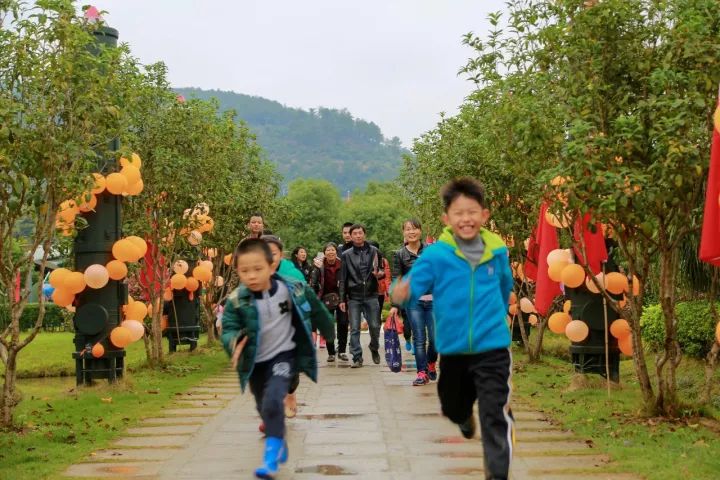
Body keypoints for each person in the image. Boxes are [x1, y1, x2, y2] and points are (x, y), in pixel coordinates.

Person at [391, 178, 514, 480]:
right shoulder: (436, 255)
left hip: (493, 347)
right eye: (459, 213)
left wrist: (498, 318)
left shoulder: (497, 251)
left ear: (484, 215)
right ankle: (462, 418)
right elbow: (414, 285)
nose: (466, 218)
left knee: (494, 413)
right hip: (454, 348)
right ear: (447, 218)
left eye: (472, 211)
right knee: (452, 405)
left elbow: (503, 286)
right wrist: (400, 292)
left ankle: (497, 474)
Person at [221, 239, 334, 479]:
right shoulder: (236, 299)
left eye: (257, 269)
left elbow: (315, 307)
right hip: (255, 362)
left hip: (284, 355)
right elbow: (228, 327)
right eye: (244, 271)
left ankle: (271, 457)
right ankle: (278, 438)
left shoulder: (292, 288)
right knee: (263, 406)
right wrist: (233, 341)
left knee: (274, 400)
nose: (251, 276)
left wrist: (328, 329)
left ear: (272, 266)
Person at [390, 219, 438, 386]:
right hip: (413, 302)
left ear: (420, 231)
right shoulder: (399, 254)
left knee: (435, 339)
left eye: (415, 228)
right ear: (404, 232)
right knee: (419, 339)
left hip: (434, 301)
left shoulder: (431, 250)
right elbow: (396, 279)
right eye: (408, 229)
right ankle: (422, 372)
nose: (412, 232)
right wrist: (395, 305)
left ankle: (431, 363)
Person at [339, 224, 384, 368]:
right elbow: (343, 278)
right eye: (355, 234)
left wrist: (380, 274)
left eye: (360, 233)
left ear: (364, 234)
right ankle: (357, 357)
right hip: (354, 296)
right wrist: (342, 299)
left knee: (375, 326)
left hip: (371, 294)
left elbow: (381, 270)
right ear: (350, 237)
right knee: (354, 328)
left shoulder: (375, 251)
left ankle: (374, 347)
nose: (358, 236)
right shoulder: (346, 255)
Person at [311, 242, 349, 361]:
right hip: (325, 299)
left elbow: (346, 281)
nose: (330, 252)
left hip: (342, 299)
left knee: (343, 324)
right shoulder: (319, 266)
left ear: (336, 252)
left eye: (332, 250)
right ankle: (331, 352)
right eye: (328, 250)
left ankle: (342, 351)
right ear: (324, 253)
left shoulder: (343, 264)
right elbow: (314, 283)